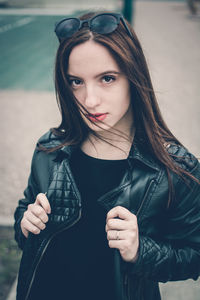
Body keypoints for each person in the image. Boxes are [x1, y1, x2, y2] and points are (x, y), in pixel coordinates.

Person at [14, 11, 200, 300]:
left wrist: (140, 250)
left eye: (107, 78)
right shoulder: (50, 150)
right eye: (76, 82)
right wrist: (25, 224)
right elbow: (24, 211)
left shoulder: (175, 170)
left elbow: (193, 255)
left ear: (134, 75)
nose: (89, 100)